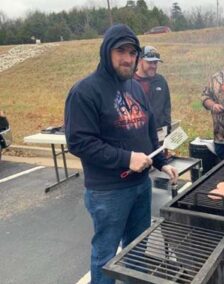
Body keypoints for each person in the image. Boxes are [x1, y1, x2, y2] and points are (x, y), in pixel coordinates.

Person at [64, 24, 178, 284]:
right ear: (106, 52)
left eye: (132, 52)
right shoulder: (85, 91)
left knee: (138, 246)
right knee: (106, 256)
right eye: (121, 51)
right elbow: (79, 142)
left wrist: (161, 162)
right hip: (108, 191)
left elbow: (148, 132)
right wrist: (127, 159)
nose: (128, 58)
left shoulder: (135, 88)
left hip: (140, 185)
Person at [134, 45, 171, 131]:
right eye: (149, 62)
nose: (153, 66)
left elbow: (166, 107)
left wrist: (166, 126)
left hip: (159, 133)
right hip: (137, 134)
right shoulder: (129, 82)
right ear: (139, 61)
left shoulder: (161, 81)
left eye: (155, 63)